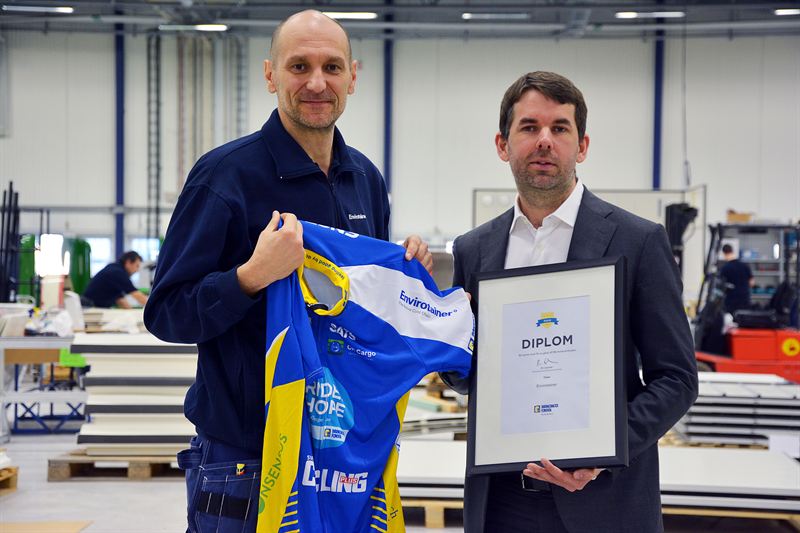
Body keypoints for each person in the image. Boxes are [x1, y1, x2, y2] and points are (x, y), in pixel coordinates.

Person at [143, 10, 432, 533]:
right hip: (246, 460)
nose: (317, 83)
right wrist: (250, 277)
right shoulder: (225, 176)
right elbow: (166, 313)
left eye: (332, 67)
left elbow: (361, 311)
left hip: (341, 454)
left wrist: (405, 276)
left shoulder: (364, 179)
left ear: (353, 77)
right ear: (270, 75)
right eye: (299, 66)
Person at [442, 71, 698, 532]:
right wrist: (442, 337)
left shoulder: (638, 241)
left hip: (604, 503)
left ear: (581, 146)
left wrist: (605, 451)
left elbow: (676, 378)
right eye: (529, 127)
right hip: (501, 502)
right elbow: (465, 376)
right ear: (502, 145)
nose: (545, 140)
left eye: (559, 128)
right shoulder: (473, 249)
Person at [82, 251, 147, 308]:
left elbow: (120, 300)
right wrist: (151, 309)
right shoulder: (118, 272)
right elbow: (137, 295)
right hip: (89, 306)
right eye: (137, 266)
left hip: (90, 305)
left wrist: (131, 312)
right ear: (128, 262)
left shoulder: (114, 268)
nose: (137, 270)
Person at [719, 243, 754, 313]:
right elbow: (752, 283)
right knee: (743, 317)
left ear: (724, 254)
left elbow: (721, 285)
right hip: (745, 299)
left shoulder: (725, 268)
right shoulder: (745, 266)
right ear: (732, 251)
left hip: (731, 301)